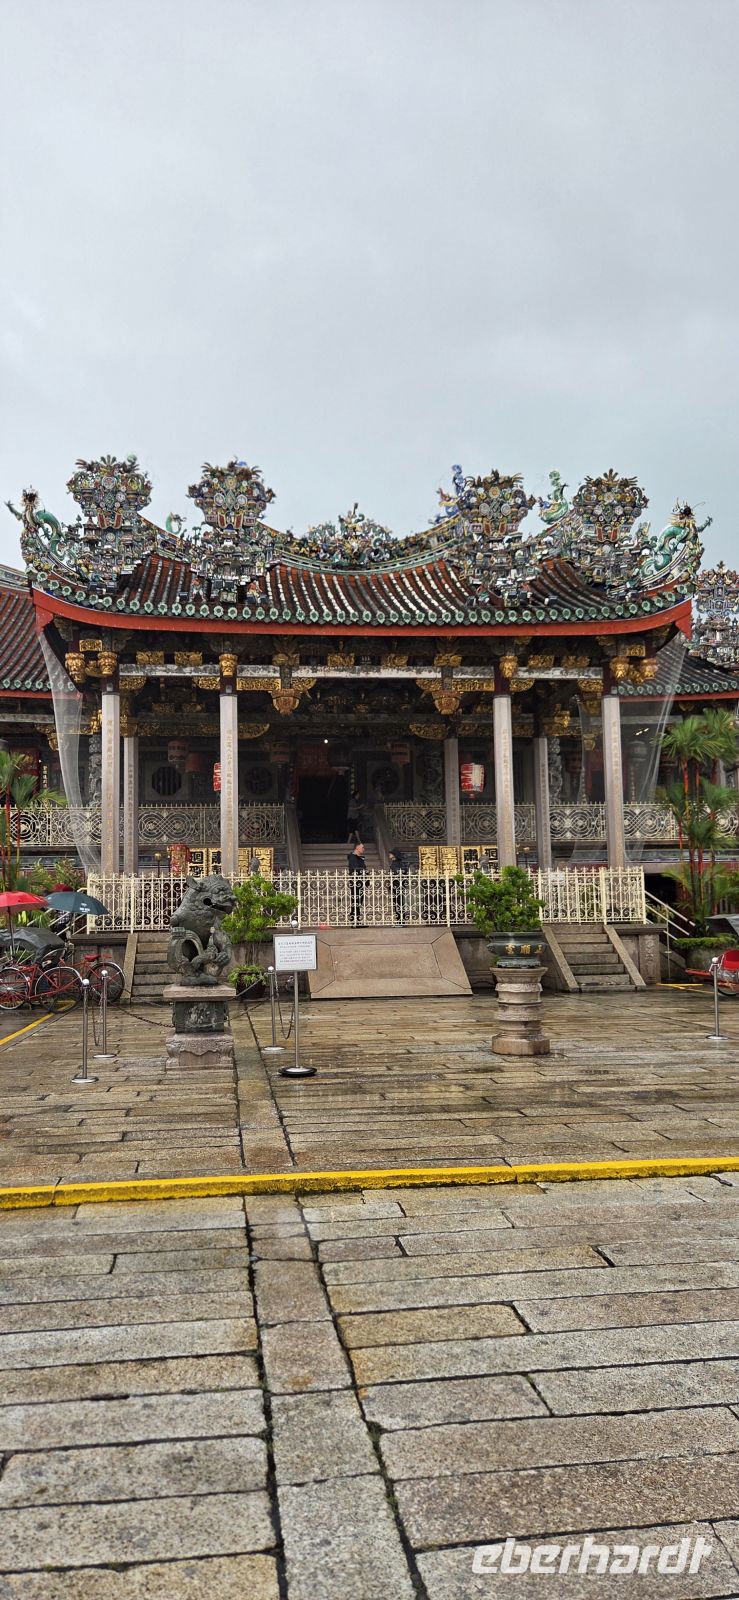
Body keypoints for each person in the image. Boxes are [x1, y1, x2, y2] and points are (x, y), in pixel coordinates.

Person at [347, 840, 366, 925]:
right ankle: (354, 920)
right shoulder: (352, 857)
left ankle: (355, 919)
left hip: (361, 882)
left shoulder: (359, 858)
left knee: (359, 901)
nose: (363, 849)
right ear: (357, 847)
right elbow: (355, 868)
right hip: (355, 882)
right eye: (362, 847)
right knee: (356, 901)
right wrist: (364, 871)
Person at [388, 847, 406, 923]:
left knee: (399, 903)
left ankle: (400, 920)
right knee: (397, 903)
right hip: (395, 885)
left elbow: (401, 872)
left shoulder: (398, 862)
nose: (389, 854)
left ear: (394, 855)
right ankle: (399, 919)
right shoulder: (394, 862)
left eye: (391, 853)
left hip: (398, 885)